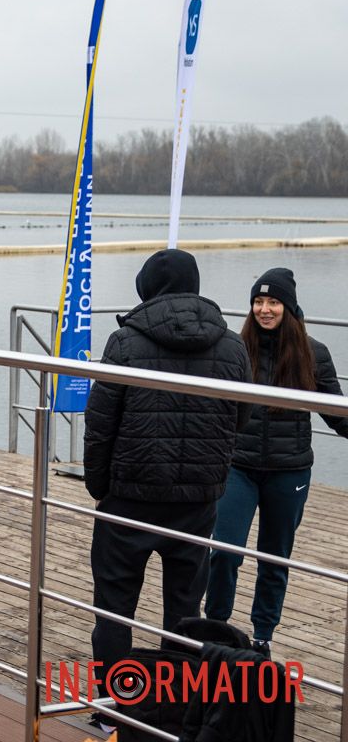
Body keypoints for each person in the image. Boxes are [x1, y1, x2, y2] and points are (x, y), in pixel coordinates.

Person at [83, 249, 250, 720]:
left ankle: (114, 707)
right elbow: (241, 417)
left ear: (148, 287)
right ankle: (174, 708)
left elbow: (100, 425)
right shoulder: (233, 346)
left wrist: (101, 486)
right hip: (197, 501)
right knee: (184, 609)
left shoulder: (125, 343)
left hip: (129, 497)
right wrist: (211, 473)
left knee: (115, 609)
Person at [205, 268, 348, 656]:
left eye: (273, 302)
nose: (264, 309)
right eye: (258, 302)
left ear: (288, 307)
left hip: (290, 472)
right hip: (239, 466)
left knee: (274, 558)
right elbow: (215, 407)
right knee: (224, 552)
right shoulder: (236, 347)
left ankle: (263, 636)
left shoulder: (313, 353)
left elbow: (337, 414)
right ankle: (214, 629)